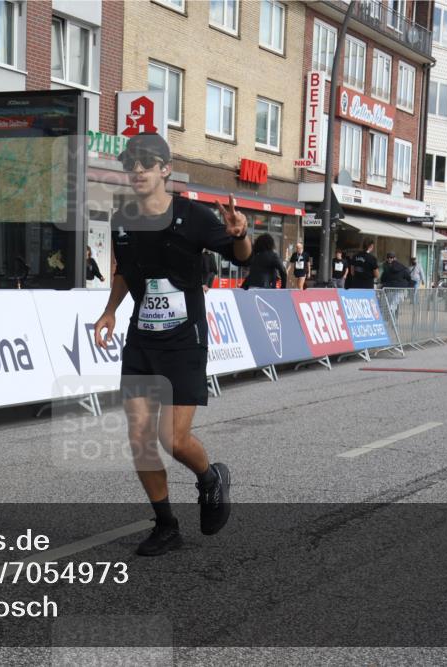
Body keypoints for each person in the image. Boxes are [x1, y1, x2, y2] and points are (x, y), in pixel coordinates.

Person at [92, 133, 251, 557]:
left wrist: (240, 234)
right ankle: (166, 525)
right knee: (141, 438)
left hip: (184, 341)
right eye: (132, 164)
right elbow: (125, 271)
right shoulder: (123, 218)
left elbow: (241, 255)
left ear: (165, 169)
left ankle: (209, 478)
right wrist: (110, 311)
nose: (138, 170)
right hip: (143, 340)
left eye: (147, 163)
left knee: (173, 439)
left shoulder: (194, 217)